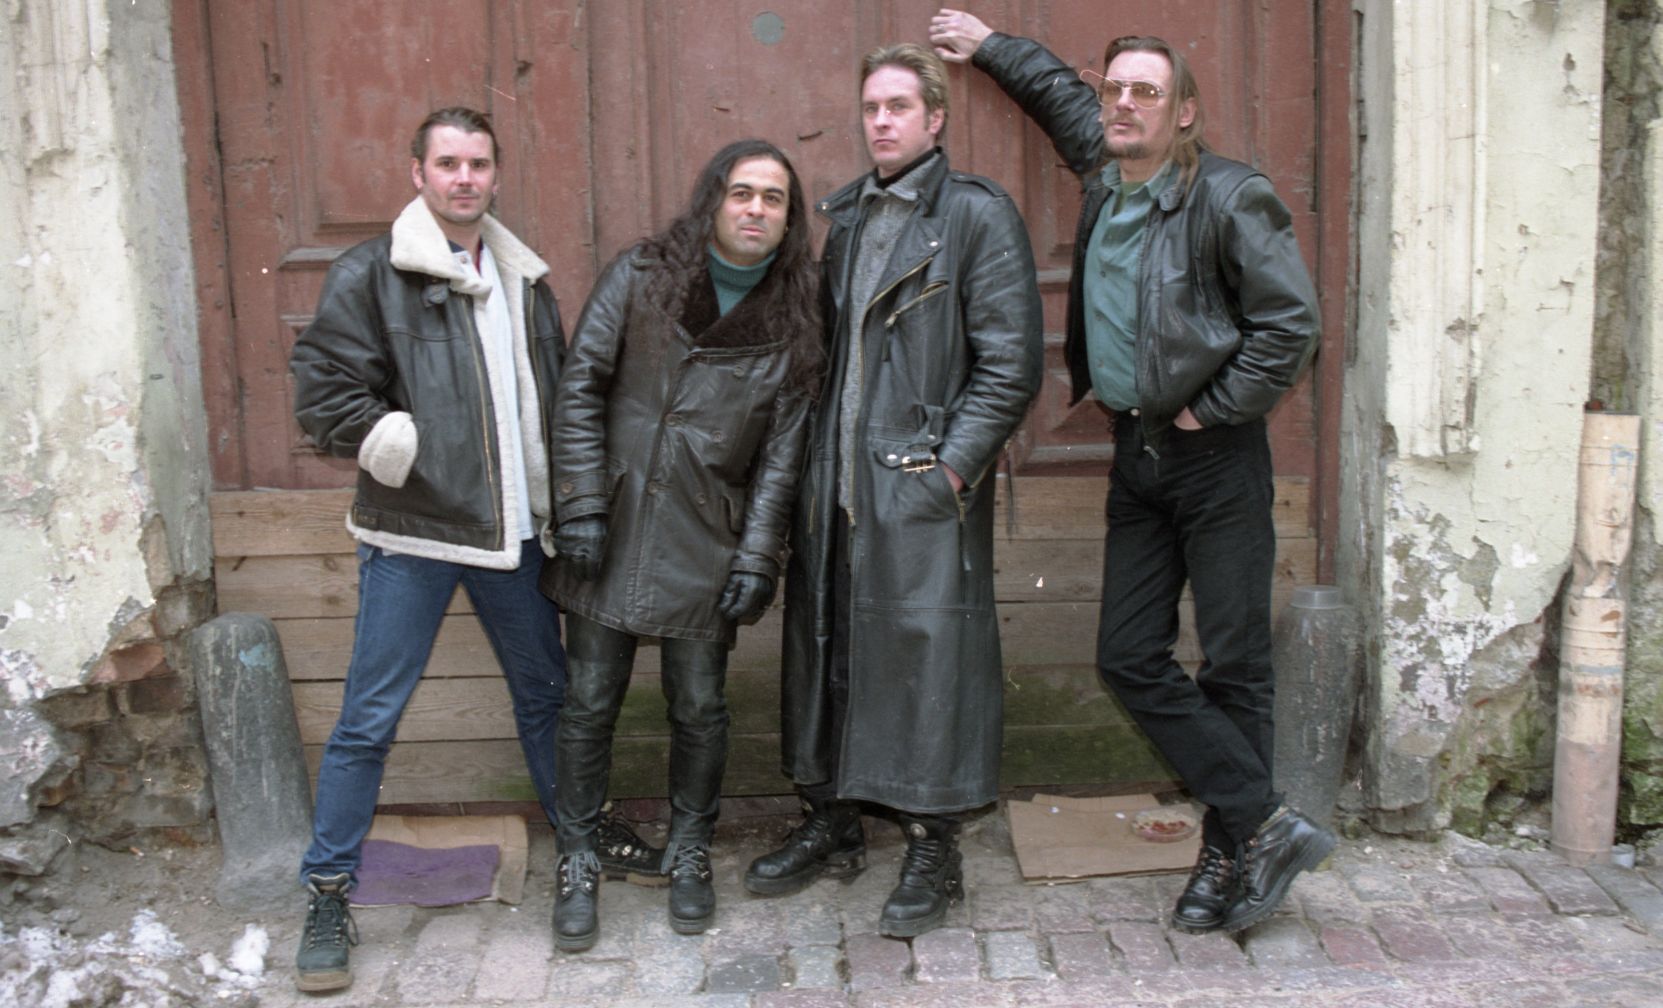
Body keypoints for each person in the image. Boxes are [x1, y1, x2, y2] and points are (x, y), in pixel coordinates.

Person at [929, 9, 1333, 934]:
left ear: (1182, 111)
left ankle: (1228, 854)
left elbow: (1290, 326)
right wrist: (990, 46)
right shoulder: (1106, 173)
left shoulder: (1229, 196)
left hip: (1215, 456)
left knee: (1234, 666)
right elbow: (1057, 97)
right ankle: (1265, 821)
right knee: (1126, 656)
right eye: (1114, 89)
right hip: (1136, 457)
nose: (1122, 104)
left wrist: (1209, 408)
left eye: (1145, 91)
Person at [287, 107, 655, 992]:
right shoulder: (370, 272)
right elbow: (322, 393)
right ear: (417, 172)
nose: (464, 178)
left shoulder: (524, 279)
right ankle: (328, 890)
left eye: (478, 164)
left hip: (513, 536)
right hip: (414, 533)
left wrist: (567, 505)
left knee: (549, 699)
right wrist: (404, 446)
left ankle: (581, 835)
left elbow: (558, 401)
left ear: (495, 174)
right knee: (369, 717)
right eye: (447, 163)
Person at [744, 43, 1042, 940]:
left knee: (926, 661)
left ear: (934, 118)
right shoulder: (847, 218)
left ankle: (932, 845)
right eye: (871, 106)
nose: (881, 121)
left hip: (914, 484)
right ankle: (833, 819)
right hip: (836, 486)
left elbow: (1010, 363)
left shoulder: (975, 216)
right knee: (828, 649)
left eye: (899, 106)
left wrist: (949, 469)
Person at [543, 139, 822, 951]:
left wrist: (758, 556)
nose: (755, 209)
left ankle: (690, 847)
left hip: (706, 538)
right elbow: (581, 385)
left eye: (773, 198)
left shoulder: (795, 322)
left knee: (699, 704)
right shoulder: (640, 275)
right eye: (741, 192)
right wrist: (580, 503)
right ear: (712, 200)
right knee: (589, 699)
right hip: (612, 522)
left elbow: (781, 460)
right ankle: (577, 854)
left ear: (788, 220)